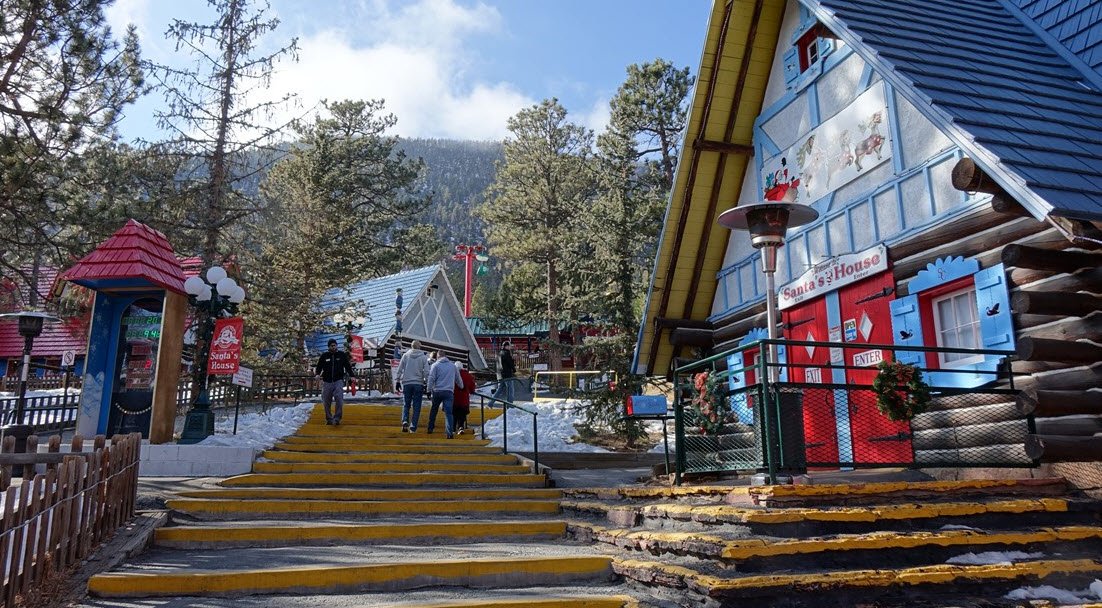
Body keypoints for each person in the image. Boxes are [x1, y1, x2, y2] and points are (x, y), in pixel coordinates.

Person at [314, 338, 354, 425]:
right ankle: (329, 418)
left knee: (339, 399)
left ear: (336, 345)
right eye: (331, 345)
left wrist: (352, 376)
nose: (333, 347)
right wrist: (317, 374)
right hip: (327, 381)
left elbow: (348, 366)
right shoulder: (324, 356)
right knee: (326, 401)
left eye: (334, 345)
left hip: (338, 380)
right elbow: (319, 366)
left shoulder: (341, 355)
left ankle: (337, 418)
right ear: (328, 347)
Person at [426, 350, 463, 438]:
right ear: (445, 356)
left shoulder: (435, 365)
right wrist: (461, 386)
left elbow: (431, 378)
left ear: (438, 357)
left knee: (434, 409)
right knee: (448, 413)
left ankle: (430, 428)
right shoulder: (452, 366)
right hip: (449, 392)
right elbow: (458, 379)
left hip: (437, 391)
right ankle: (449, 433)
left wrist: (428, 390)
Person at [395, 340, 430, 432]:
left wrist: (398, 381)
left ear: (411, 346)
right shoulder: (423, 357)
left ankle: (405, 420)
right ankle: (413, 427)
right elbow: (426, 372)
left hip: (407, 383)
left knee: (406, 404)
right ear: (419, 347)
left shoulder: (406, 355)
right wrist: (427, 383)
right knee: (417, 406)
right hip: (418, 383)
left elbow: (400, 368)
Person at [452, 360, 476, 434]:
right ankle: (461, 427)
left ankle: (452, 428)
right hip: (464, 398)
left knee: (454, 413)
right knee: (462, 414)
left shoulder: (452, 374)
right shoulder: (467, 375)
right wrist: (471, 391)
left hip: (454, 398)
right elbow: (472, 386)